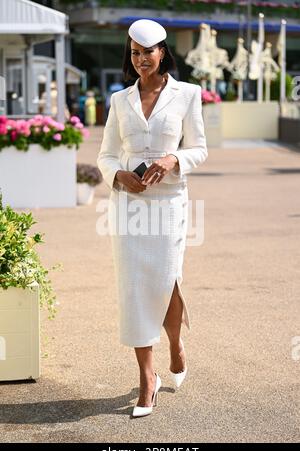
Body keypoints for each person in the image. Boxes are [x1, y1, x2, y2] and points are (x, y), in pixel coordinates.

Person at [97, 19, 208, 418]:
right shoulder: (118, 100)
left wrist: (173, 157)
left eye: (148, 52)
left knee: (165, 278)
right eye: (134, 53)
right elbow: (106, 153)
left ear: (163, 53)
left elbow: (199, 149)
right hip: (127, 205)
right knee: (132, 286)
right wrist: (118, 175)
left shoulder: (188, 95)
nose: (141, 59)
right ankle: (149, 378)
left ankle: (175, 342)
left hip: (169, 204)